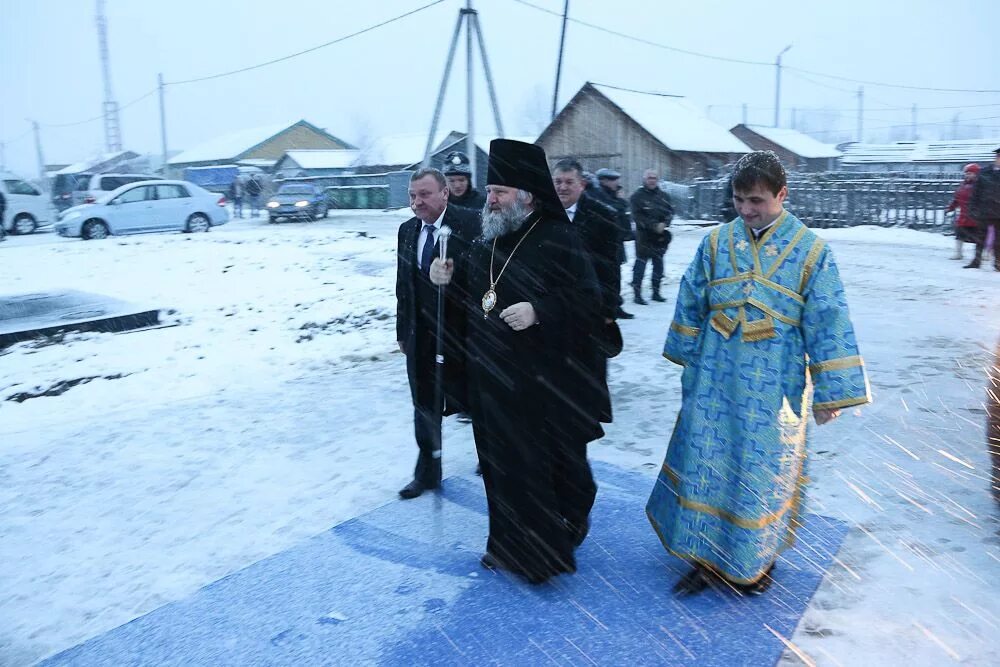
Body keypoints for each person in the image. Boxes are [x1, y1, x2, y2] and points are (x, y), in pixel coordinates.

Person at [646, 151, 871, 596]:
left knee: (760, 470)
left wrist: (832, 392)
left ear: (781, 195)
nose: (747, 210)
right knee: (706, 463)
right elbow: (691, 299)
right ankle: (703, 557)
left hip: (776, 381)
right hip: (714, 374)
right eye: (738, 200)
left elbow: (828, 320)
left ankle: (754, 561)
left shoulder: (812, 250)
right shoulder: (715, 242)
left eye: (757, 200)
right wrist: (687, 359)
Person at [430, 139, 604, 584]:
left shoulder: (558, 237)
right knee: (498, 467)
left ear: (526, 195)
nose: (490, 200)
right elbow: (471, 301)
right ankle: (505, 544)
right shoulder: (487, 240)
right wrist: (443, 281)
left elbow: (589, 302)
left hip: (540, 382)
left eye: (500, 192)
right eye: (490, 192)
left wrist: (540, 311)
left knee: (535, 468)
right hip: (491, 380)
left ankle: (541, 554)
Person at [395, 168, 481, 500]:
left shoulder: (471, 223)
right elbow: (403, 286)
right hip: (420, 336)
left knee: (477, 404)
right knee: (424, 407)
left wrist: (456, 278)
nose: (417, 202)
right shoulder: (406, 231)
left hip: (463, 335)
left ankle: (492, 463)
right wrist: (404, 330)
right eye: (412, 196)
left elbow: (488, 274)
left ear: (445, 193)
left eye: (425, 194)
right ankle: (428, 472)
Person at [552, 157, 619, 425]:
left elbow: (611, 269)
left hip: (589, 306)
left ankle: (585, 421)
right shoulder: (542, 214)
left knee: (587, 371)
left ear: (582, 184)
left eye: (569, 182)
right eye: (557, 181)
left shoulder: (603, 216)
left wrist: (608, 311)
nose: (562, 187)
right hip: (553, 306)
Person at [591, 168, 634, 319]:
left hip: (615, 244)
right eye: (613, 179)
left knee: (615, 279)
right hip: (603, 247)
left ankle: (615, 306)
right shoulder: (598, 195)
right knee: (605, 280)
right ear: (604, 181)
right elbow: (611, 212)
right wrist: (621, 203)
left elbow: (622, 217)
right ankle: (605, 309)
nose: (617, 182)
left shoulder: (613, 196)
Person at [630, 169, 674, 305]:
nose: (652, 180)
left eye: (654, 178)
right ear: (644, 179)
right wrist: (653, 225)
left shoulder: (664, 196)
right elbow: (637, 216)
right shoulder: (637, 196)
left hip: (659, 238)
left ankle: (656, 292)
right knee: (640, 265)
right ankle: (637, 294)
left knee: (658, 265)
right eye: (649, 178)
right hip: (643, 236)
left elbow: (670, 212)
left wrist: (665, 223)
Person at [967, 147, 1000, 271]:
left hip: (999, 213)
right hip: (984, 211)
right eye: (998, 157)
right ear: (996, 158)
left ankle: (998, 263)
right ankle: (976, 261)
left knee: (999, 240)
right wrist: (972, 209)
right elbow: (975, 192)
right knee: (980, 238)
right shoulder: (984, 172)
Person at [946, 164, 980, 260]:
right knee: (959, 234)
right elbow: (957, 199)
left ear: (976, 174)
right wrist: (950, 208)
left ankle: (981, 255)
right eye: (967, 173)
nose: (968, 176)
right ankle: (958, 253)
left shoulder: (980, 186)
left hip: (976, 216)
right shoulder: (963, 185)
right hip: (964, 216)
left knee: (979, 237)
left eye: (970, 173)